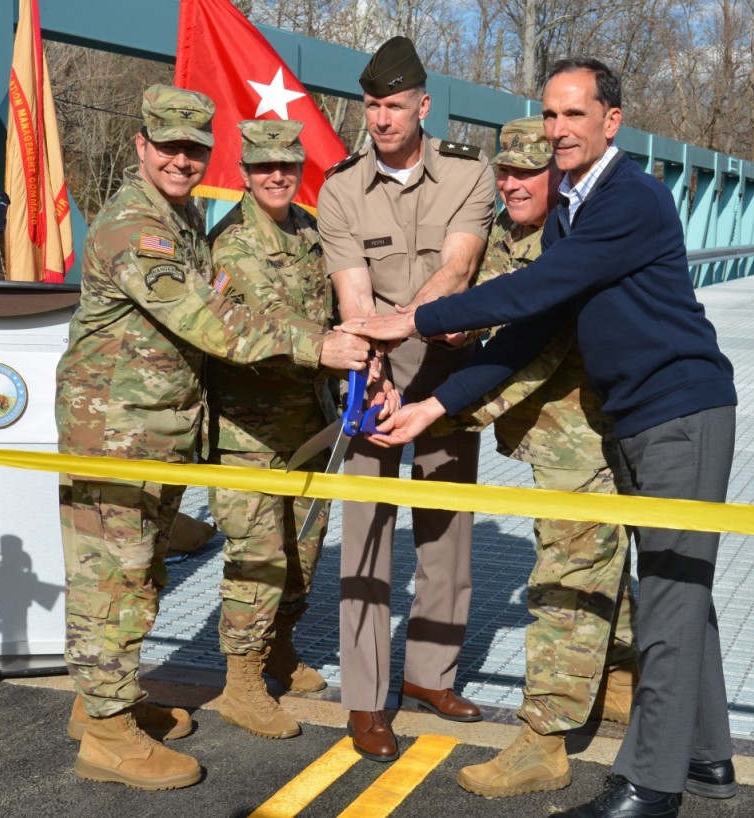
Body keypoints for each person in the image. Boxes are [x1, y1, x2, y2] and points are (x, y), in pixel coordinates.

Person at [346, 58, 738, 818]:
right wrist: (432, 408)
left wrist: (412, 319)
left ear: (611, 122)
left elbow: (532, 289)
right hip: (640, 417)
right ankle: (705, 755)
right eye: (550, 114)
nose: (558, 129)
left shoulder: (631, 198)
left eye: (574, 114)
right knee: (680, 585)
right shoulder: (573, 212)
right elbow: (529, 330)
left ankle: (650, 786)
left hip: (681, 414)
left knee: (666, 600)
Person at [56, 85, 370, 791]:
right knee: (113, 581)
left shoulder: (181, 216)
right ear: (141, 145)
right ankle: (107, 737)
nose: (182, 159)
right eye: (168, 146)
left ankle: (102, 704)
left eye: (194, 149)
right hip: (116, 432)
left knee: (139, 576)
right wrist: (317, 345)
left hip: (158, 430)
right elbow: (209, 320)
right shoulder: (136, 227)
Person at [440, 116, 640, 799]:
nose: (513, 184)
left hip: (586, 440)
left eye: (529, 172)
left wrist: (443, 414)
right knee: (596, 560)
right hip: (554, 442)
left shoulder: (575, 239)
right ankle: (620, 678)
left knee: (568, 579)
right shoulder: (505, 232)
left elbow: (534, 353)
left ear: (560, 174)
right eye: (505, 171)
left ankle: (544, 741)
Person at [316, 35, 497, 762]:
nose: (381, 118)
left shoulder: (469, 175)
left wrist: (400, 334)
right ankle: (365, 697)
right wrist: (373, 370)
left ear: (424, 106)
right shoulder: (340, 189)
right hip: (373, 373)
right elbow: (353, 295)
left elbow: (458, 271)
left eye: (394, 105)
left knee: (446, 537)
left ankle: (430, 675)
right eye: (371, 105)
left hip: (447, 372)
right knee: (365, 538)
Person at [205, 120, 341, 740]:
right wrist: (338, 349)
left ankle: (279, 648)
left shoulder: (308, 232)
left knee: (302, 550)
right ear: (245, 173)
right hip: (249, 431)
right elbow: (267, 324)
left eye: (287, 164)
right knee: (257, 557)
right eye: (264, 166)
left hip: (308, 423)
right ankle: (242, 682)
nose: (277, 176)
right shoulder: (233, 243)